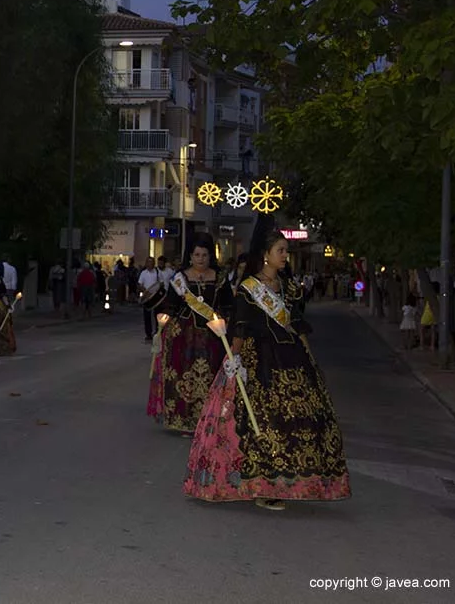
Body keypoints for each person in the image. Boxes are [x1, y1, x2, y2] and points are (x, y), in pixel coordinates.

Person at [183, 218, 351, 511]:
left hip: (293, 359)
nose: (285, 256)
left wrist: (311, 358)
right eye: (281, 250)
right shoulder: (249, 289)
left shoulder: (288, 287)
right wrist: (234, 359)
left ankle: (296, 482)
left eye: (286, 250)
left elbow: (297, 324)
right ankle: (263, 487)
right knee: (263, 423)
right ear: (266, 254)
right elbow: (241, 327)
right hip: (260, 360)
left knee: (304, 422)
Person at [151, 233, 232, 434]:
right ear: (190, 256)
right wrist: (164, 318)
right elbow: (170, 304)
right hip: (184, 336)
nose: (201, 259)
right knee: (183, 376)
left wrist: (225, 319)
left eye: (204, 255)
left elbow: (229, 305)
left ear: (210, 256)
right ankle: (183, 420)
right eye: (197, 255)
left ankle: (209, 420)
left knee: (211, 375)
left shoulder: (220, 278)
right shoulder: (179, 279)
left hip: (213, 334)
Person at [137, 256, 159, 343]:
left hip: (156, 296)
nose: (150, 264)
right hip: (147, 297)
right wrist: (145, 291)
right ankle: (148, 334)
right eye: (148, 262)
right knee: (147, 316)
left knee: (157, 315)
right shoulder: (143, 273)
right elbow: (139, 284)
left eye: (152, 262)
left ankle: (157, 332)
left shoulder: (157, 272)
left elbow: (160, 283)